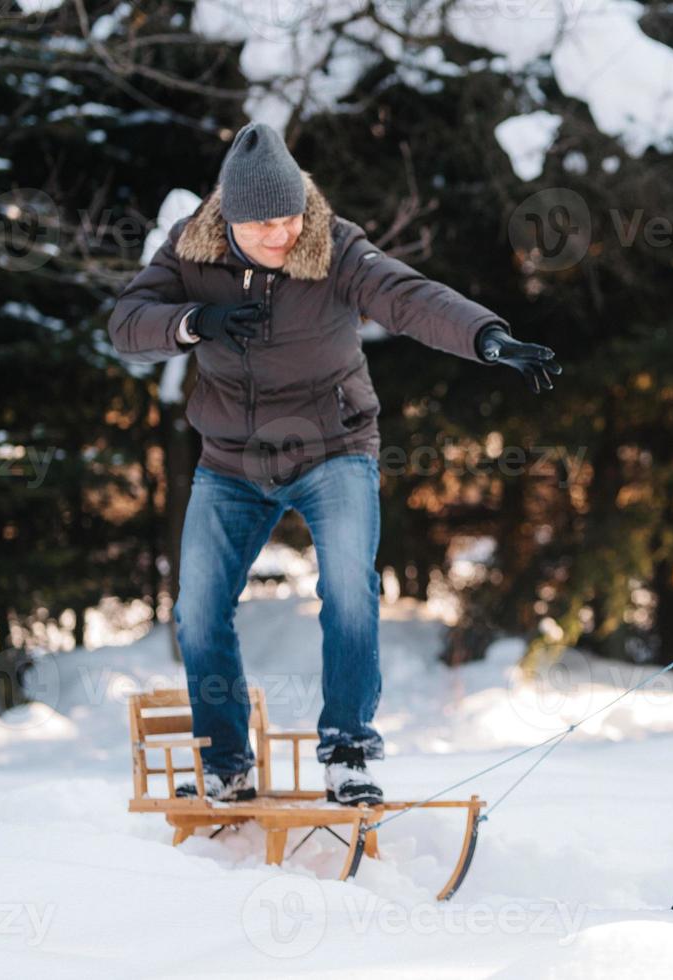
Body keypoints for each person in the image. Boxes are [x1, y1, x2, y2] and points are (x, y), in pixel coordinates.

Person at [107, 122, 560, 805]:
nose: (284, 235)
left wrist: (487, 338)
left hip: (334, 448)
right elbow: (126, 325)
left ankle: (348, 748)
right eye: (265, 226)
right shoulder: (188, 249)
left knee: (350, 592)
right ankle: (225, 761)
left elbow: (410, 297)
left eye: (291, 217)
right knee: (198, 611)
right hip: (230, 461)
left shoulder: (334, 244)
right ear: (228, 217)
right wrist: (195, 321)